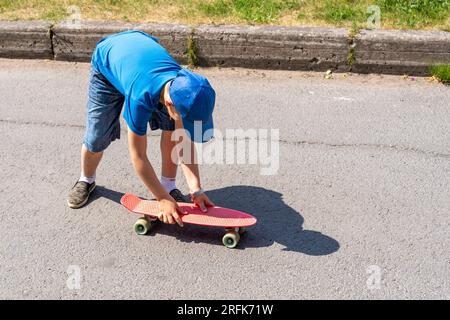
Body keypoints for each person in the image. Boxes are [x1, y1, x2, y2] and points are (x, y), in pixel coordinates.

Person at [67, 30, 215, 227]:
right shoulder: (140, 97)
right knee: (97, 135)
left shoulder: (185, 86)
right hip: (107, 65)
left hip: (137, 55)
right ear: (170, 103)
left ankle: (168, 186)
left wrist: (196, 189)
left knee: (173, 130)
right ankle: (86, 179)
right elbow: (139, 156)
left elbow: (183, 141)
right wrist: (161, 199)